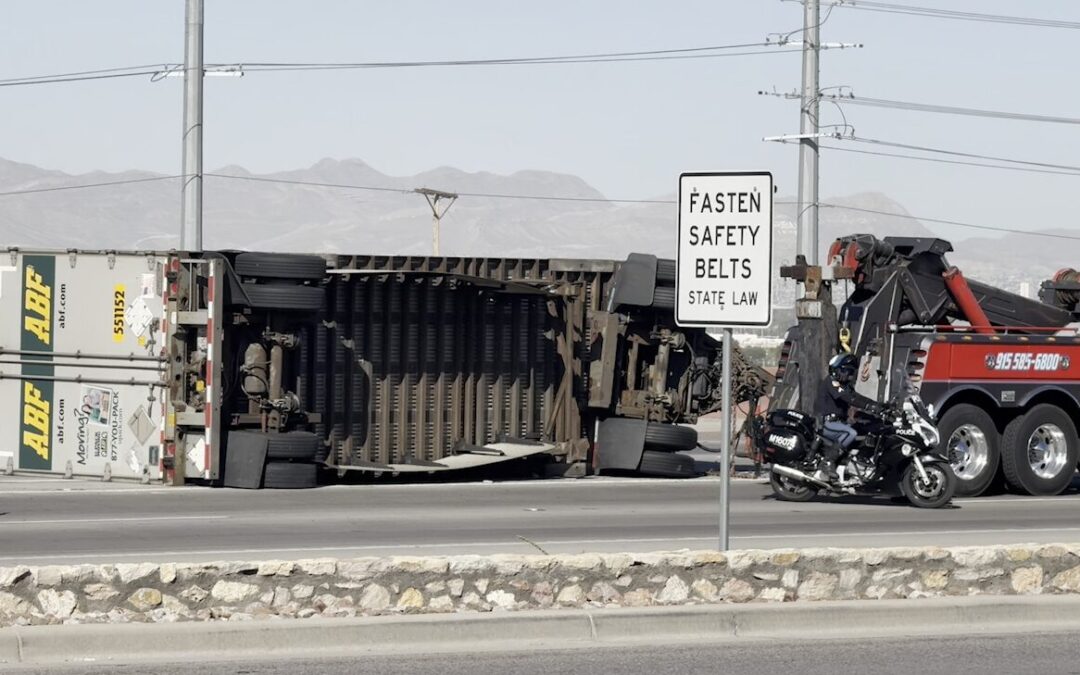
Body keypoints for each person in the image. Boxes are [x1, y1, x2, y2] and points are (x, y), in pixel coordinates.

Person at [814, 353, 888, 481]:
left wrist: (879, 405)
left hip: (838, 423)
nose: (849, 375)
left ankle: (860, 463)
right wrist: (870, 406)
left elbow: (857, 397)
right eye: (846, 371)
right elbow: (849, 398)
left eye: (851, 372)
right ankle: (827, 462)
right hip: (826, 423)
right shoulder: (831, 382)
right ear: (836, 370)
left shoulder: (845, 386)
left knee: (870, 427)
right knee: (850, 433)